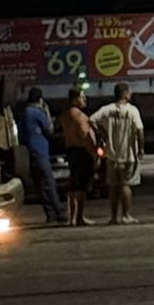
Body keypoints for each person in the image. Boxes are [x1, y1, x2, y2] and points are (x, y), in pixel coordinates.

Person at [90, 83, 145, 224]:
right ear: (125, 94)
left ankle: (114, 217)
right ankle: (126, 215)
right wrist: (141, 149)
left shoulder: (107, 109)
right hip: (129, 154)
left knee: (113, 186)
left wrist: (102, 133)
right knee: (126, 184)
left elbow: (91, 120)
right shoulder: (132, 110)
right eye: (129, 92)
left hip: (112, 154)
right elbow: (139, 130)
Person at [20, 87, 67, 224]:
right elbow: (50, 130)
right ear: (40, 100)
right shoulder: (37, 113)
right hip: (40, 151)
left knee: (41, 185)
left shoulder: (24, 113)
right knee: (49, 183)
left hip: (29, 152)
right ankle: (59, 211)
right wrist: (47, 112)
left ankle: (50, 214)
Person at [59, 87, 97, 226]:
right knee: (81, 185)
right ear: (75, 99)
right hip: (82, 151)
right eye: (82, 97)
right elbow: (85, 134)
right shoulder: (79, 115)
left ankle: (72, 218)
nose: (84, 99)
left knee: (73, 184)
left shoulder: (65, 115)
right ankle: (79, 217)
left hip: (71, 150)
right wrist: (93, 152)